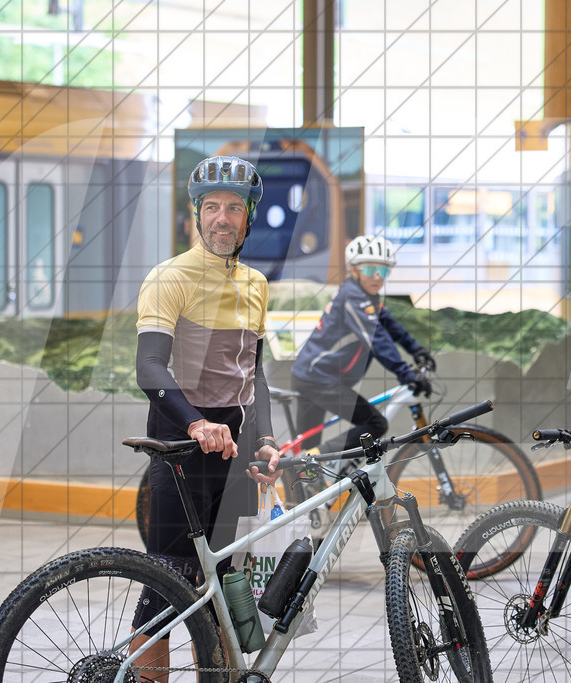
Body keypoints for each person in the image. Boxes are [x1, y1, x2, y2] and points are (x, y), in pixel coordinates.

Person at [130, 155, 281, 678]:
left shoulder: (256, 284)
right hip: (181, 448)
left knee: (220, 591)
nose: (222, 218)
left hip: (233, 456)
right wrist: (196, 423)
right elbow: (149, 366)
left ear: (248, 217)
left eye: (234, 208)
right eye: (211, 206)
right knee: (164, 593)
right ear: (196, 214)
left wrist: (265, 439)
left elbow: (254, 374)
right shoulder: (170, 276)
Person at [290, 235, 435, 456]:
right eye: (370, 270)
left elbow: (390, 326)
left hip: (316, 375)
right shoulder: (354, 297)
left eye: (383, 271)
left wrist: (416, 349)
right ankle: (315, 458)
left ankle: (310, 462)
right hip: (318, 378)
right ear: (353, 270)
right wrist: (405, 373)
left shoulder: (367, 297)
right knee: (375, 424)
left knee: (306, 448)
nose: (377, 277)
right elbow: (377, 338)